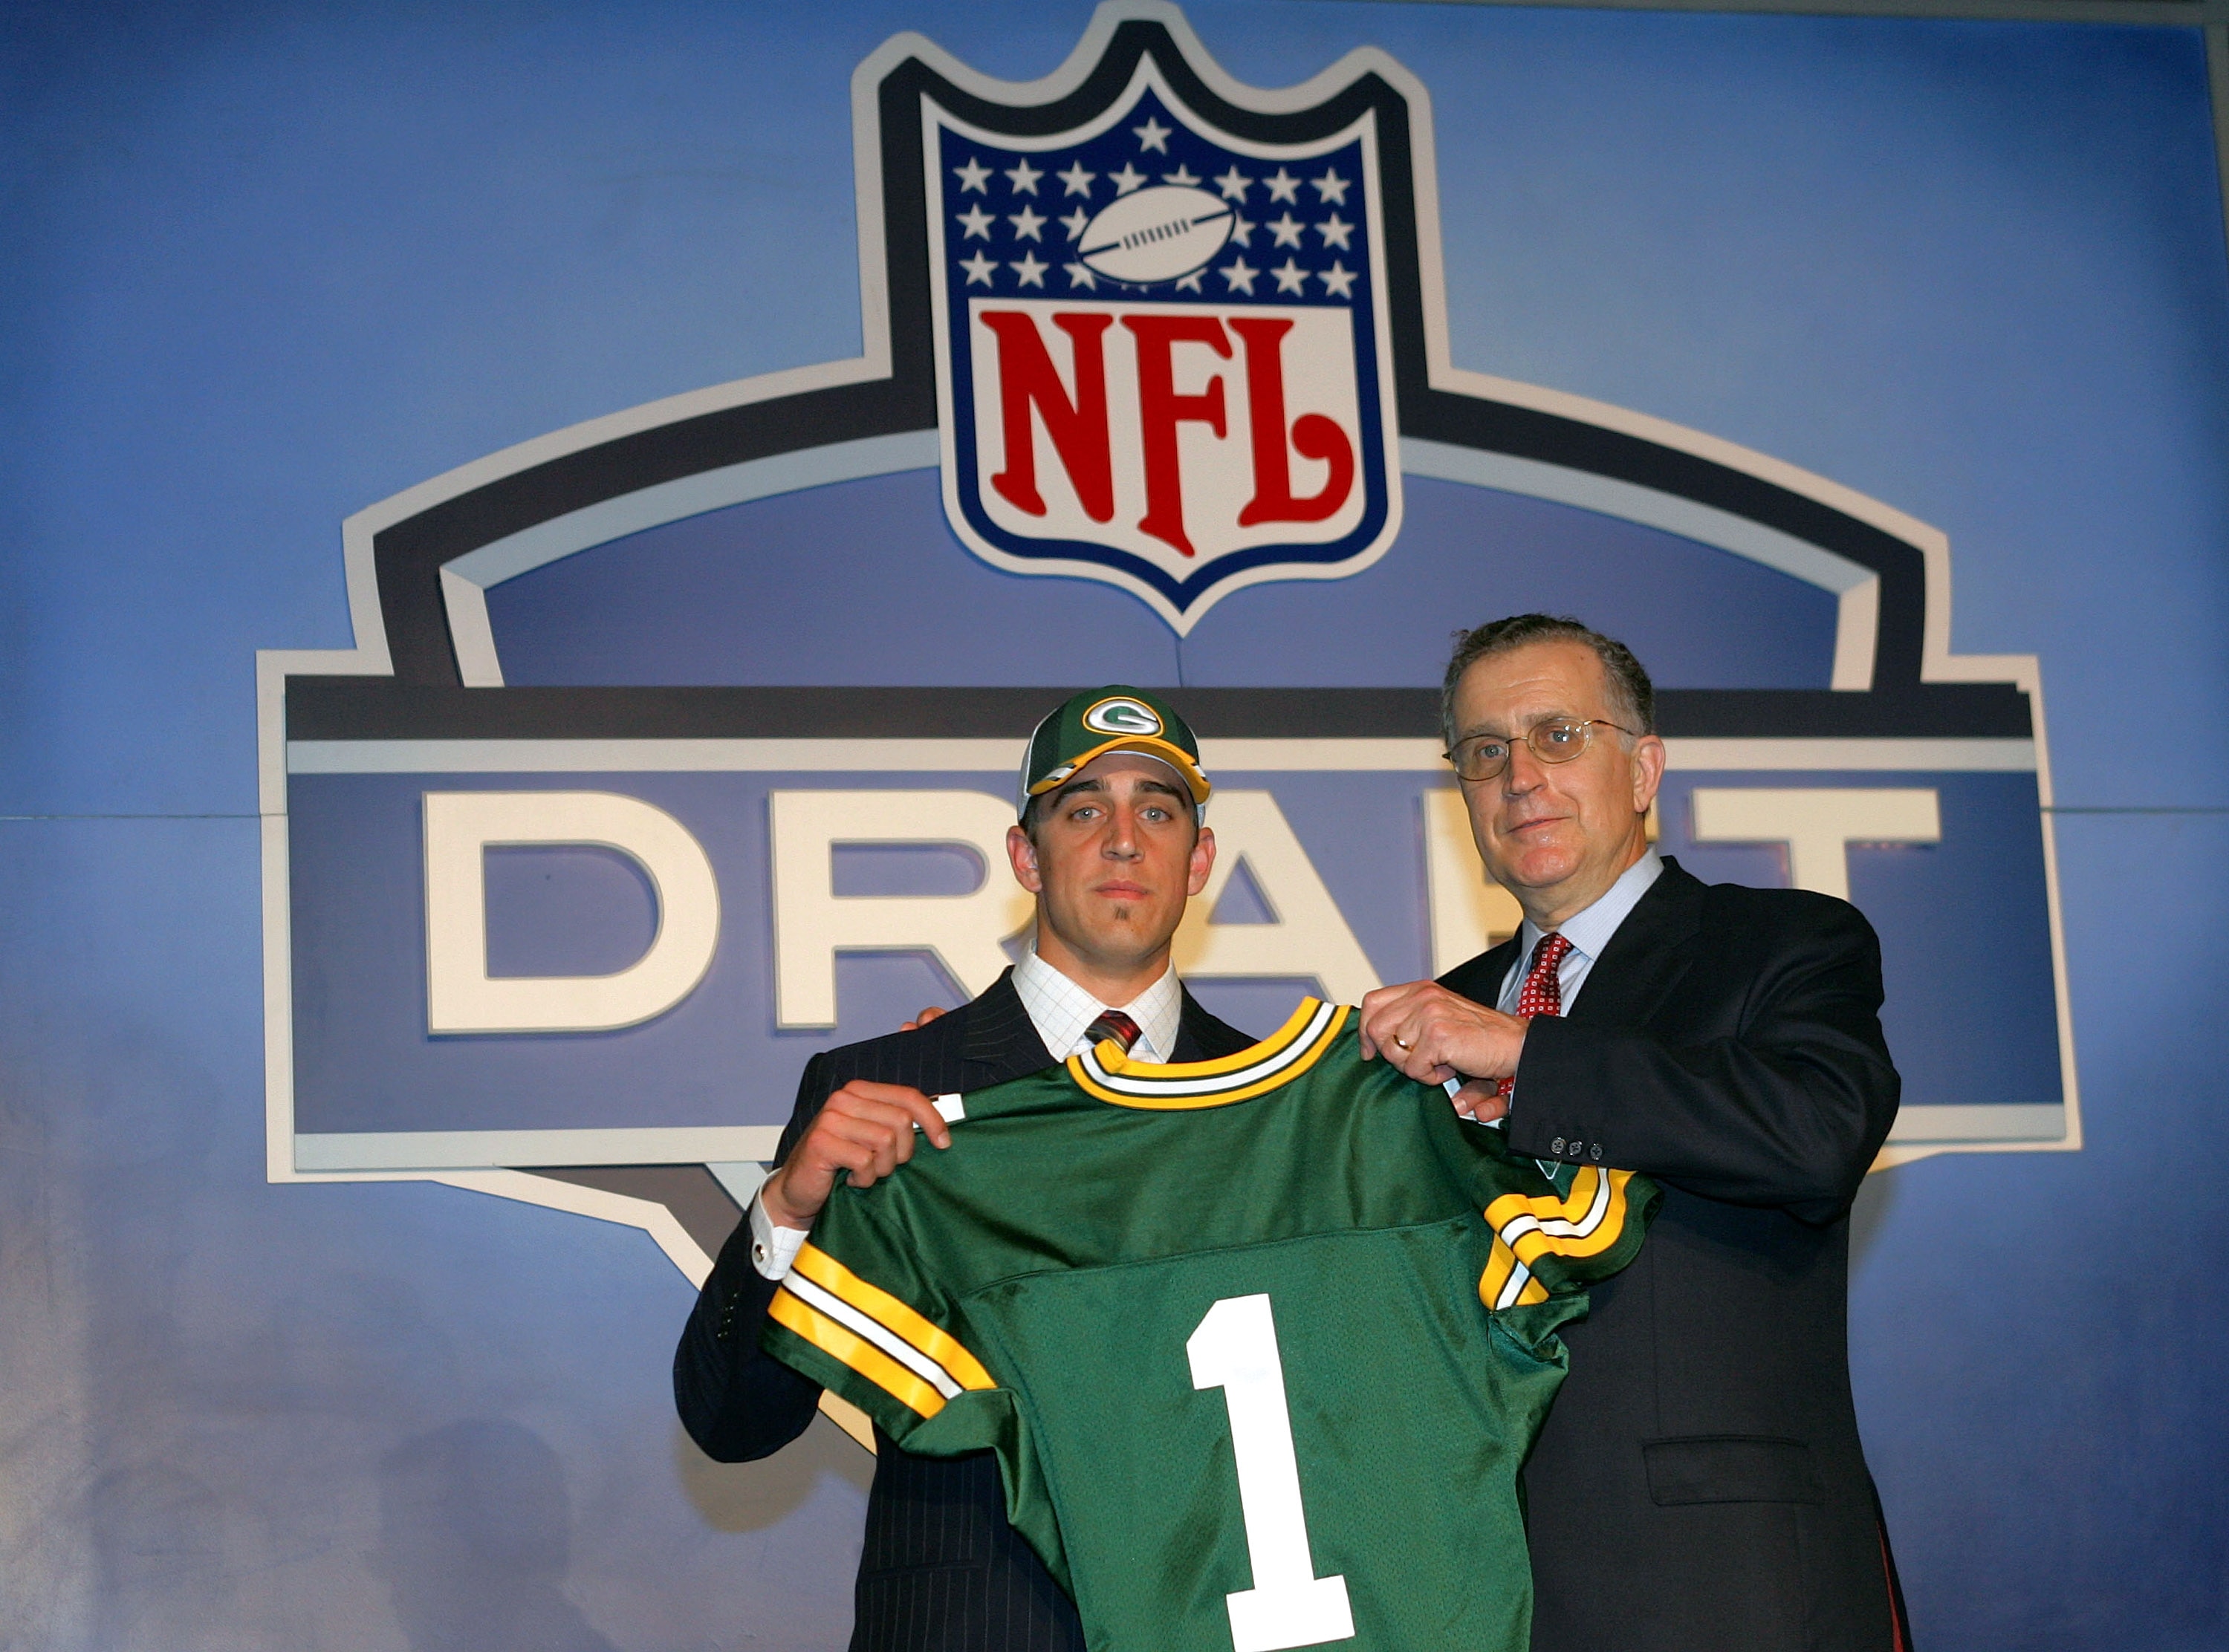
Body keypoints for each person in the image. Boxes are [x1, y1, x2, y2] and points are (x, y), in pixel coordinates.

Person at [1358, 614, 1913, 1652]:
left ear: (1645, 767)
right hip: (1482, 1590)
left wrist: (1531, 1058)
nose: (1519, 775)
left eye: (1558, 736)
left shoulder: (1784, 942)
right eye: (1485, 751)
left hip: (1731, 1586)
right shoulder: (1437, 1020)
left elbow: (1817, 1131)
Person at [674, 686, 1256, 1652]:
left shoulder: (1269, 1102)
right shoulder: (878, 1087)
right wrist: (788, 1207)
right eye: (1083, 810)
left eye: (1157, 810)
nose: (1122, 840)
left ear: (1199, 860)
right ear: (1025, 854)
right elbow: (733, 1421)